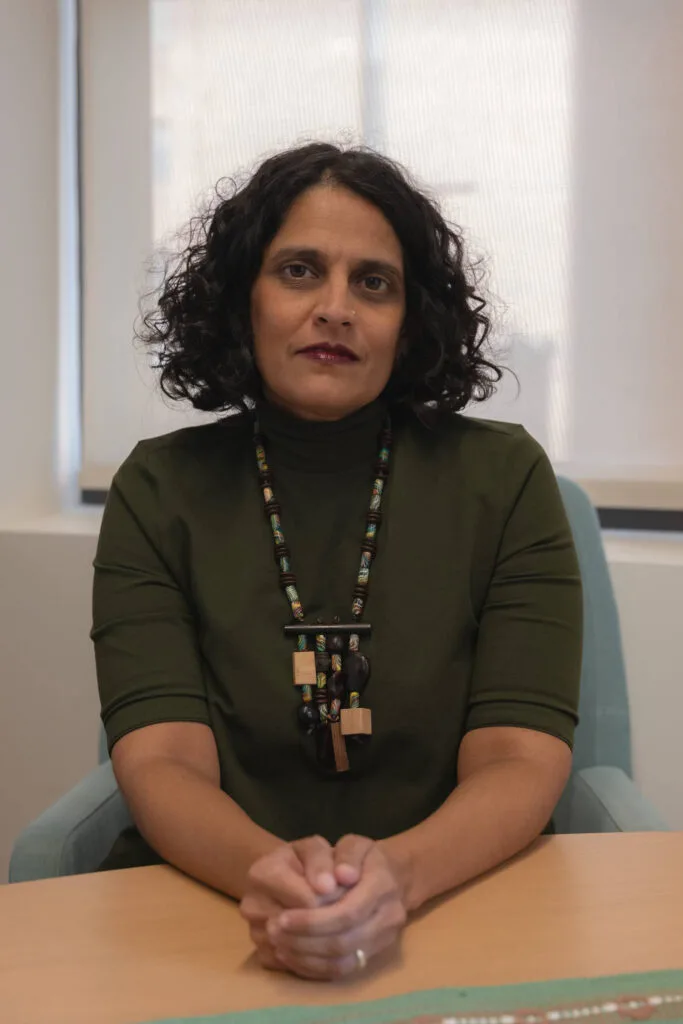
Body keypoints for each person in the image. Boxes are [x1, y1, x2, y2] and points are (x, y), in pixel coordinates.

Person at [92, 142, 582, 981]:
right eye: (297, 271)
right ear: (239, 300)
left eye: (373, 282)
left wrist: (398, 877)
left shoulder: (504, 478)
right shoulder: (158, 487)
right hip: (207, 907)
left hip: (451, 903)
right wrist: (270, 877)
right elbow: (163, 757)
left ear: (411, 317)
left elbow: (517, 756)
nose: (335, 308)